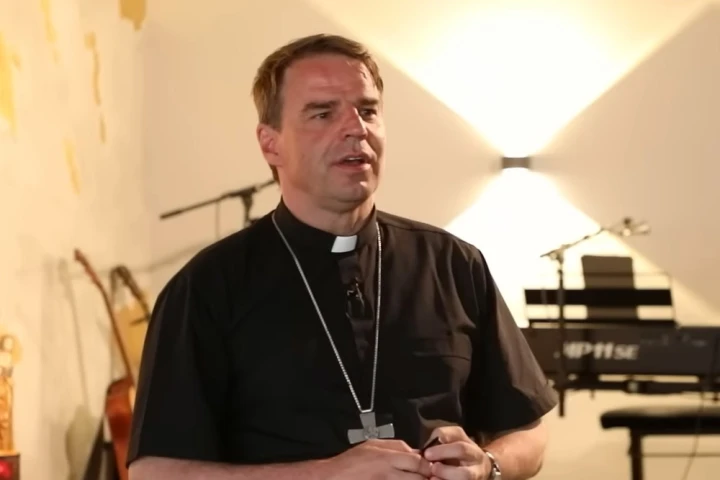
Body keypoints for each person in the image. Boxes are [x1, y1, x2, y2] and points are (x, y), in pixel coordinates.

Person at [127, 33, 558, 480]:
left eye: (368, 110)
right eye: (323, 113)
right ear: (271, 144)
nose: (356, 128)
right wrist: (324, 475)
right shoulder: (207, 287)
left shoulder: (454, 264)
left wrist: (489, 464)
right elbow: (154, 472)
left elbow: (528, 432)